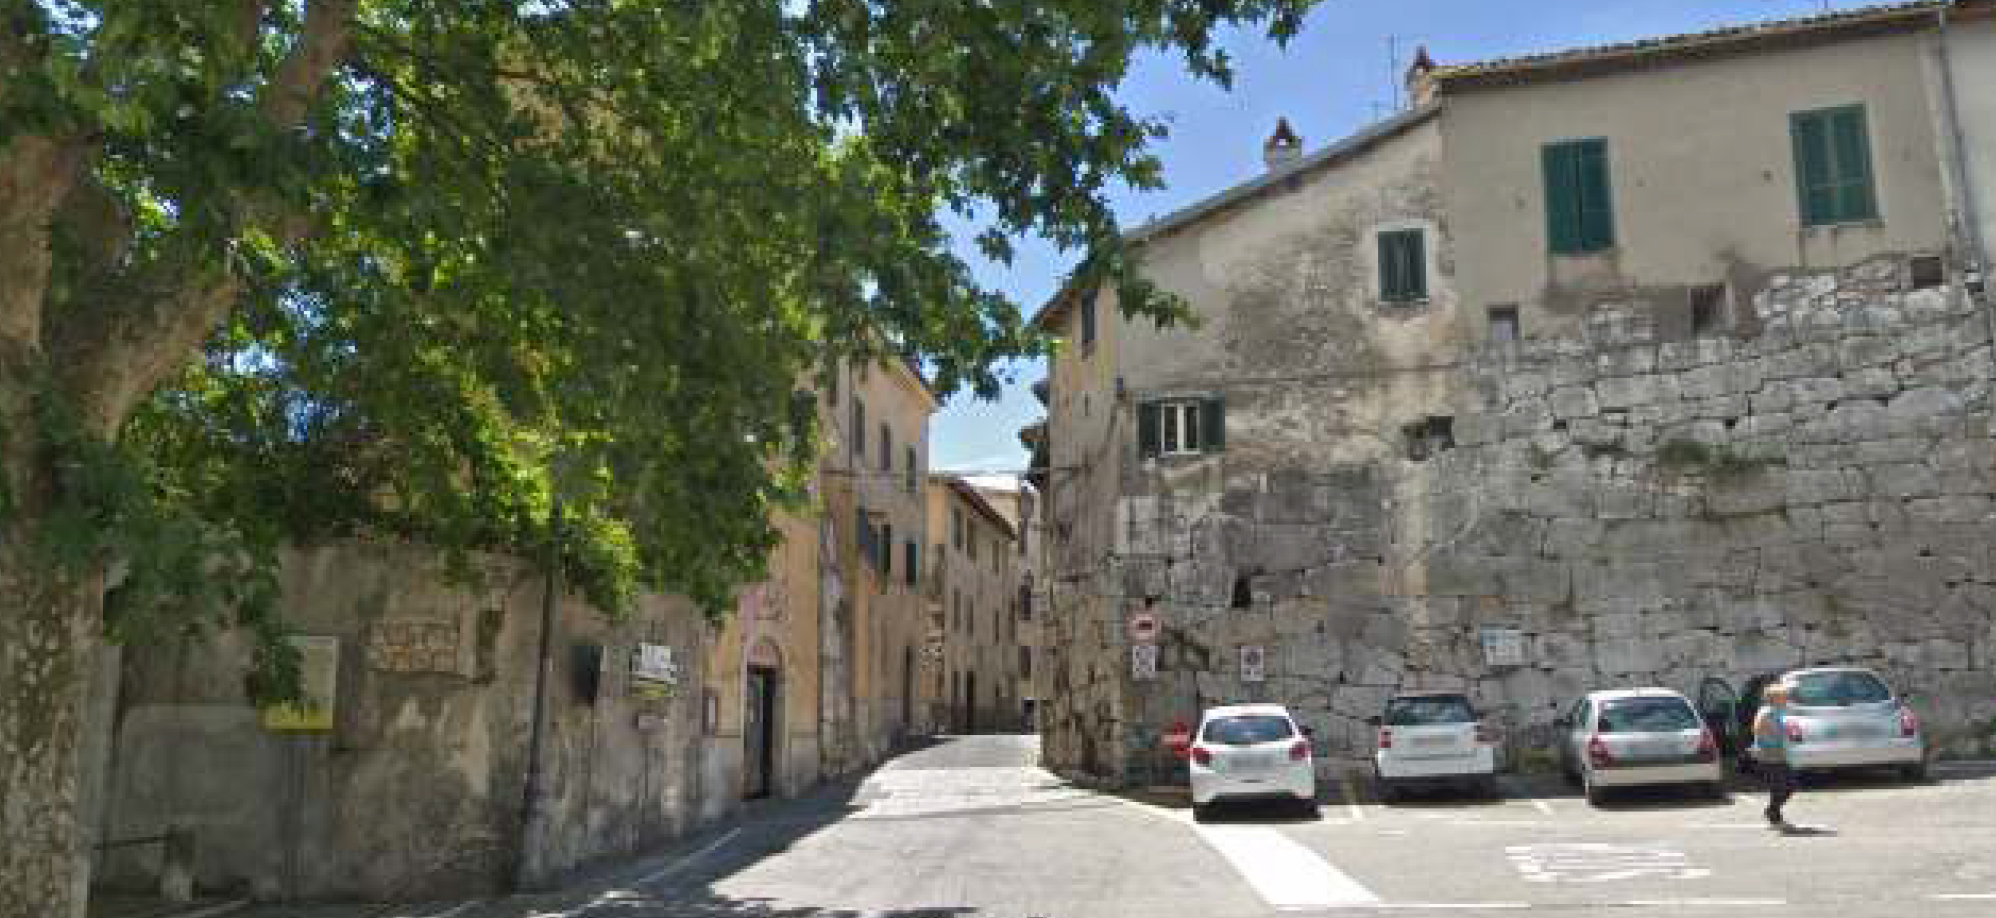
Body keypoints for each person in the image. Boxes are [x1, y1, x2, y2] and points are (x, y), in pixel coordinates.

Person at [1752, 682, 1797, 830]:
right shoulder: (1766, 711)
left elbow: (1787, 728)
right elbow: (1757, 727)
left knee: (1788, 786)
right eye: (1783, 696)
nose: (1786, 698)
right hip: (1769, 754)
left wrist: (1793, 733)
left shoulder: (1780, 711)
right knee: (1780, 787)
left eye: (1786, 696)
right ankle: (1774, 814)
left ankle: (1772, 811)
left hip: (1781, 753)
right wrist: (1770, 731)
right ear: (1775, 698)